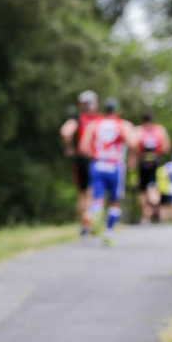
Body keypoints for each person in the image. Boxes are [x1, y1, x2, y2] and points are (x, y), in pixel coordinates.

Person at [80, 98, 137, 244]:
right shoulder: (123, 125)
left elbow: (83, 147)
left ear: (103, 110)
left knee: (96, 198)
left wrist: (96, 156)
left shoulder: (94, 124)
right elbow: (133, 143)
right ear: (118, 111)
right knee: (114, 201)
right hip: (115, 165)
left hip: (97, 163)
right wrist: (131, 158)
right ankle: (108, 233)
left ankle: (93, 215)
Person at [61, 91, 102, 236]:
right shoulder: (100, 120)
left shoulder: (77, 119)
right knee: (93, 192)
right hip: (97, 159)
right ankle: (92, 222)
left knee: (82, 193)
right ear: (95, 103)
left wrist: (69, 147)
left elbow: (65, 132)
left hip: (81, 160)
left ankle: (83, 223)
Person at [134, 110, 171, 223]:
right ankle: (154, 205)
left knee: (142, 190)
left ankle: (146, 216)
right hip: (155, 161)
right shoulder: (160, 130)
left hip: (142, 162)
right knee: (153, 188)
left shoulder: (139, 130)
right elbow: (166, 148)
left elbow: (134, 147)